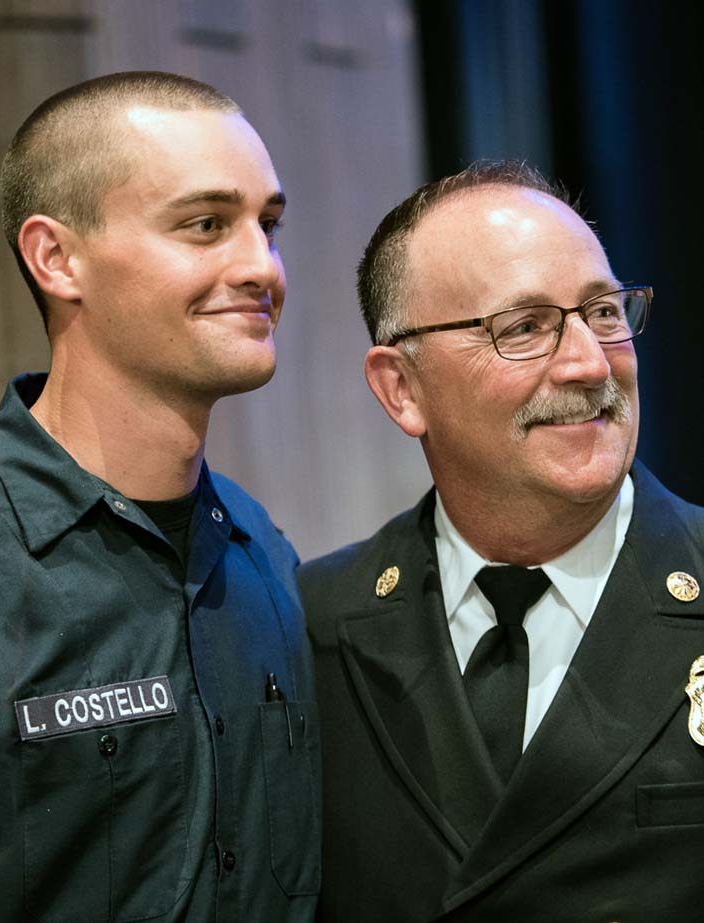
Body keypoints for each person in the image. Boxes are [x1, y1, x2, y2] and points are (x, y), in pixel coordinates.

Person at [298, 161, 704, 921]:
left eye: (606, 313)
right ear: (402, 389)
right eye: (523, 327)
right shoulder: (312, 628)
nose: (589, 363)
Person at [0, 71, 320, 922]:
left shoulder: (262, 553)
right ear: (57, 258)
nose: (260, 266)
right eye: (205, 225)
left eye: (266, 225)